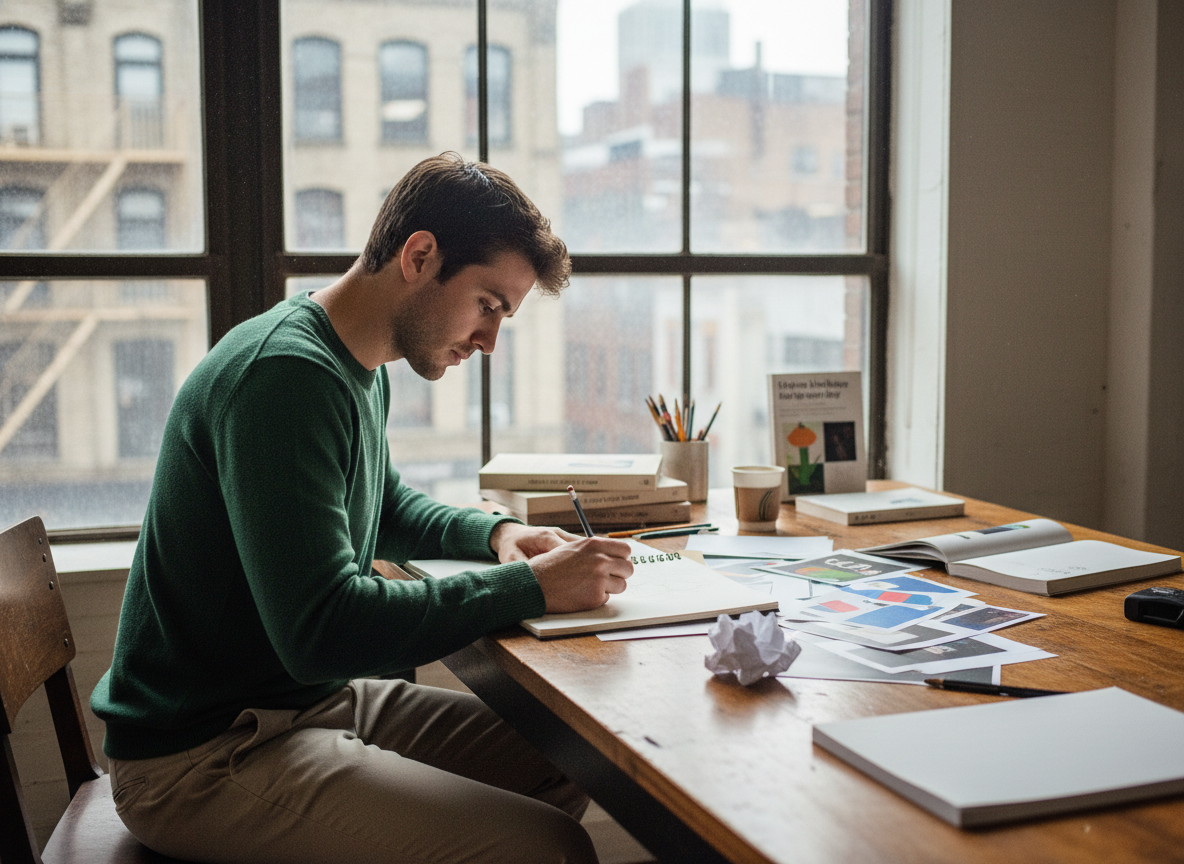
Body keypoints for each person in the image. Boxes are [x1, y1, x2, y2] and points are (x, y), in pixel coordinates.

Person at [90, 152, 634, 864]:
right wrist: (528, 588)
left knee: (564, 753)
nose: (490, 340)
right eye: (488, 305)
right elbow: (321, 630)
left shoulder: (352, 363)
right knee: (547, 847)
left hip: (299, 707)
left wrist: (498, 534)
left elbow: (379, 501)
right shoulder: (285, 376)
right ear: (419, 255)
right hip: (203, 755)